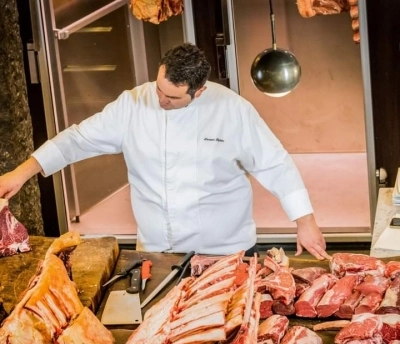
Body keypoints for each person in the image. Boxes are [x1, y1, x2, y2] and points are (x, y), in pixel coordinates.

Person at [0, 43, 329, 260]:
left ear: (199, 92)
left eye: (172, 98)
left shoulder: (233, 110)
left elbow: (275, 165)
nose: (160, 100)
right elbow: (78, 139)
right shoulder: (133, 103)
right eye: (159, 89)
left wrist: (306, 221)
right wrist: (21, 172)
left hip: (225, 252)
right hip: (156, 252)